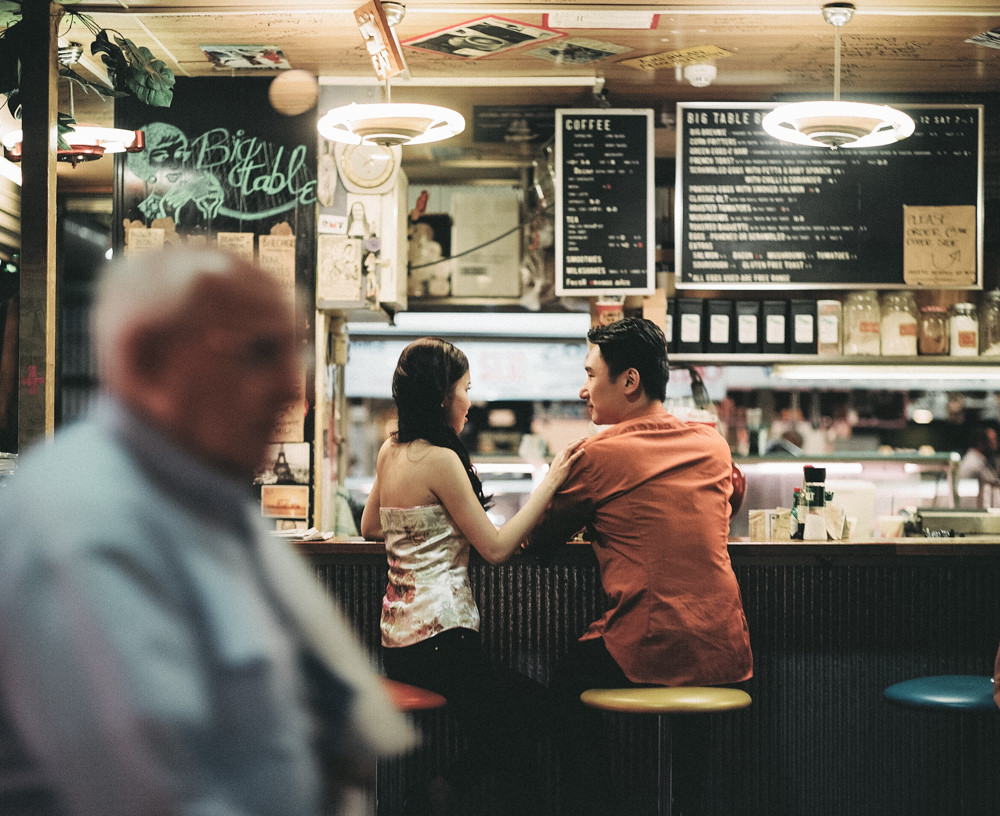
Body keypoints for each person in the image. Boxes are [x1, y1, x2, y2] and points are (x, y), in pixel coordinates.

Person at [0, 247, 415, 816]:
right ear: (147, 358)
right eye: (261, 352)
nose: (294, 389)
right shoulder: (84, 520)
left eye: (294, 352)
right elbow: (153, 799)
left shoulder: (201, 496)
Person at [528, 316, 753, 815]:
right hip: (723, 646)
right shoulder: (712, 443)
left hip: (650, 643)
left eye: (590, 375)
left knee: (563, 692)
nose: (582, 389)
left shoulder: (597, 454)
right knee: (691, 735)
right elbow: (726, 503)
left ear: (629, 381)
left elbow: (537, 539)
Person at [360, 336, 584, 815]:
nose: (471, 398)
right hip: (445, 640)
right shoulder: (440, 459)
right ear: (444, 396)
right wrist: (548, 484)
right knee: (541, 723)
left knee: (514, 737)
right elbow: (497, 548)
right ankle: (438, 790)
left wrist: (423, 530)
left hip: (398, 643)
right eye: (466, 387)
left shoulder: (391, 450)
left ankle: (442, 787)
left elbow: (369, 525)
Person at [957, 423, 1000, 508]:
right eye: (992, 441)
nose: (995, 445)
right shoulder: (972, 464)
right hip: (976, 513)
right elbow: (992, 484)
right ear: (981, 443)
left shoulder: (981, 461)